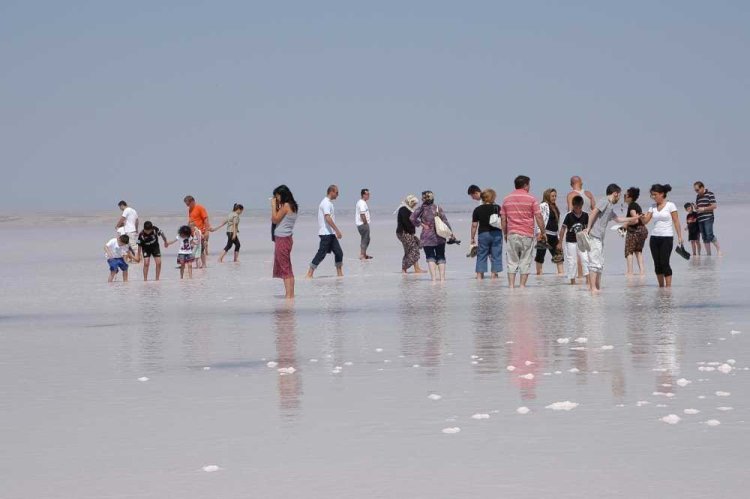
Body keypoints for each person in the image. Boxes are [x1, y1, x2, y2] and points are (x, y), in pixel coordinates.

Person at [583, 184, 638, 293]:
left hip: (600, 237)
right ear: (615, 193)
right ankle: (592, 287)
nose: (620, 197)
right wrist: (588, 228)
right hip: (594, 235)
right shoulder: (604, 201)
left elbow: (618, 219)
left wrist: (634, 218)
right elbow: (593, 212)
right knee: (594, 261)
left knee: (600, 262)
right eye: (619, 195)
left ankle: (597, 286)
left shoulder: (610, 205)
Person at [500, 176, 546, 288]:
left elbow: (503, 219)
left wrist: (505, 233)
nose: (529, 187)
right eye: (529, 184)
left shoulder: (506, 199)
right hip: (527, 234)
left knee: (512, 260)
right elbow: (538, 216)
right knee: (525, 261)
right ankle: (522, 286)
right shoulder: (531, 198)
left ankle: (511, 286)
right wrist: (543, 231)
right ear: (525, 185)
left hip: (512, 233)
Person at [640, 184, 684, 288]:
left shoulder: (670, 205)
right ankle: (661, 288)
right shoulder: (652, 206)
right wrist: (642, 217)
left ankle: (668, 288)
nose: (653, 197)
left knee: (665, 263)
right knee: (657, 264)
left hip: (667, 238)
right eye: (652, 195)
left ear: (662, 194)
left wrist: (680, 236)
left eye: (655, 195)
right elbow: (645, 221)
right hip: (654, 238)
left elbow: (676, 221)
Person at [411, 191, 452, 281]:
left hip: (426, 237)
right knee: (441, 256)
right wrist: (451, 234)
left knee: (430, 257)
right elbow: (445, 221)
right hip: (440, 236)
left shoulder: (421, 209)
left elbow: (412, 218)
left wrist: (422, 224)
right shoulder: (438, 208)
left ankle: (433, 279)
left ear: (423, 199)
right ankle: (442, 279)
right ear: (433, 198)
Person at [307, 185, 344, 278]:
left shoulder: (329, 203)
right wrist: (337, 230)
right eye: (337, 192)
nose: (338, 195)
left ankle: (339, 273)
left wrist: (334, 232)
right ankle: (309, 273)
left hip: (330, 234)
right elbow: (327, 218)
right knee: (321, 254)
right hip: (325, 234)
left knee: (339, 252)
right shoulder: (326, 203)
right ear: (331, 191)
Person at [271, 186, 299, 298]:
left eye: (277, 196)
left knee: (285, 268)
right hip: (287, 238)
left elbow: (275, 219)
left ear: (282, 195)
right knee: (288, 267)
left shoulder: (286, 206)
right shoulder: (292, 206)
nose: (276, 198)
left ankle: (288, 296)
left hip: (282, 239)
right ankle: (291, 294)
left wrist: (273, 206)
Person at [470, 188, 503, 279]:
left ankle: (479, 276)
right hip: (496, 233)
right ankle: (493, 276)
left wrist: (472, 237)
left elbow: (474, 225)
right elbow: (502, 221)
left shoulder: (477, 209)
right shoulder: (497, 207)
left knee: (482, 254)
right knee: (496, 254)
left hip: (483, 234)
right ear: (492, 197)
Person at [558, 195, 590, 285]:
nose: (578, 208)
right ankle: (572, 281)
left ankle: (588, 280)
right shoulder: (568, 216)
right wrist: (560, 242)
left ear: (582, 205)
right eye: (576, 206)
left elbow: (588, 228)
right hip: (570, 241)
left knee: (585, 259)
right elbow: (563, 229)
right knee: (572, 261)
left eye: (580, 206)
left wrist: (589, 237)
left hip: (582, 241)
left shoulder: (585, 215)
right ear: (573, 205)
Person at [535, 188, 564, 276]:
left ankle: (561, 275)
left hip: (554, 235)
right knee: (540, 255)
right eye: (552, 196)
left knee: (558, 256)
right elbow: (539, 219)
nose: (554, 198)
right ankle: (539, 276)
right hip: (544, 234)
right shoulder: (543, 205)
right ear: (547, 196)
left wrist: (559, 238)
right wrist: (539, 232)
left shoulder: (555, 207)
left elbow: (556, 223)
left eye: (555, 196)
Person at [395, 194, 425, 274]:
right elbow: (406, 222)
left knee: (410, 250)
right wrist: (412, 232)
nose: (415, 205)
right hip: (404, 233)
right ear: (410, 202)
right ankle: (404, 268)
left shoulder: (407, 208)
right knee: (414, 250)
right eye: (414, 204)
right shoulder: (404, 209)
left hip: (406, 233)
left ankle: (416, 268)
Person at [622, 187, 648, 275]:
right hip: (643, 230)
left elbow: (635, 220)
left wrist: (626, 224)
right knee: (638, 251)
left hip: (635, 231)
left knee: (629, 251)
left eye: (625, 195)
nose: (624, 196)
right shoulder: (637, 205)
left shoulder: (632, 206)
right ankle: (642, 271)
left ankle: (630, 272)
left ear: (630, 197)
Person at [693, 181, 722, 256]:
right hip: (700, 218)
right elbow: (698, 208)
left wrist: (703, 209)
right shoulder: (698, 196)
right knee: (704, 237)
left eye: (697, 190)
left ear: (702, 187)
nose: (696, 192)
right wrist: (696, 207)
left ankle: (719, 250)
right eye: (695, 190)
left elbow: (714, 206)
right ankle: (708, 254)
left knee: (709, 234)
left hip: (708, 217)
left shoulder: (710, 194)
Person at [184, 195, 210, 267]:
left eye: (188, 204)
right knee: (193, 248)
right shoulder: (190, 209)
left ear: (192, 201)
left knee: (201, 249)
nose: (188, 206)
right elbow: (190, 221)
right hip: (192, 233)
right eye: (186, 205)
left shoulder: (200, 208)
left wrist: (207, 232)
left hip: (200, 232)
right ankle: (196, 264)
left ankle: (204, 265)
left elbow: (206, 219)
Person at [355, 188, 372, 260]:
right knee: (365, 239)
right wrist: (365, 223)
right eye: (367, 194)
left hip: (362, 224)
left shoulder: (362, 202)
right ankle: (362, 255)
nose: (368, 196)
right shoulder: (361, 203)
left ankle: (364, 254)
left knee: (366, 239)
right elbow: (362, 214)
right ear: (363, 195)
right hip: (363, 224)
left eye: (369, 194)